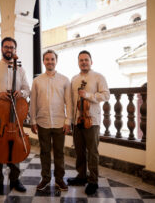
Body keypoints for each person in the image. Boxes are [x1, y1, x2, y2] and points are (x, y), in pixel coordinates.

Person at [0, 37, 30, 197]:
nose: (9, 50)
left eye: (12, 48)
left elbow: (27, 89)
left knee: (15, 147)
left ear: (15, 50)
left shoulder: (21, 70)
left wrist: (20, 93)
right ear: (2, 48)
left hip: (15, 117)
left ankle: (15, 180)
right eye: (6, 47)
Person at [67, 50, 110, 195]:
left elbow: (106, 95)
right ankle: (81, 176)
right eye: (81, 60)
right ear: (78, 62)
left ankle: (93, 181)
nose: (84, 62)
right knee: (79, 150)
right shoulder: (74, 79)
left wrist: (88, 95)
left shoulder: (98, 77)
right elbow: (72, 101)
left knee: (92, 152)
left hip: (92, 120)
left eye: (86, 59)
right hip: (78, 120)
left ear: (91, 61)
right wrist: (71, 120)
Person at [30, 50, 72, 191]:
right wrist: (33, 121)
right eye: (47, 59)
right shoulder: (37, 81)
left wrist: (68, 121)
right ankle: (46, 179)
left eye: (52, 59)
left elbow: (69, 102)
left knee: (59, 153)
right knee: (44, 152)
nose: (50, 61)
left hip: (60, 122)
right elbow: (33, 102)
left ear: (56, 61)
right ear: (43, 61)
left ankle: (59, 180)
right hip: (43, 122)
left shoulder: (65, 80)